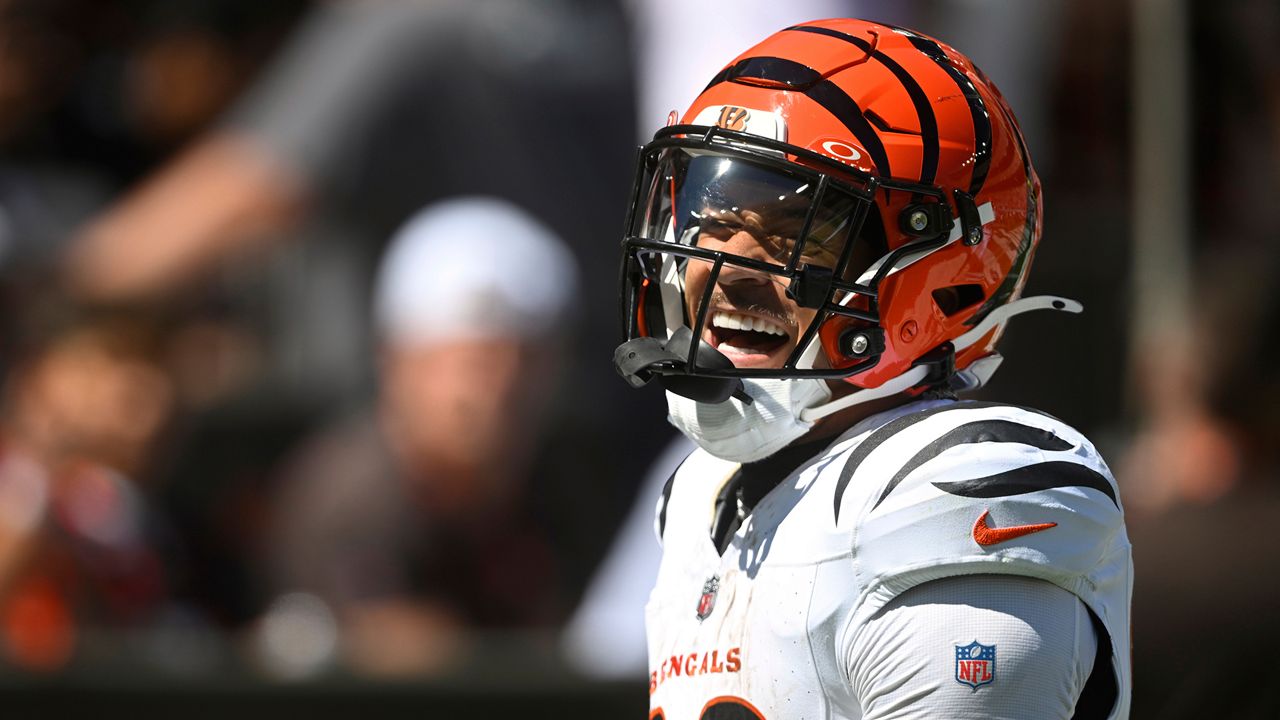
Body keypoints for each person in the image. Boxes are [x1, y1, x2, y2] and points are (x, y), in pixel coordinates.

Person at [611, 19, 1130, 719]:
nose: (720, 267)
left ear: (940, 274)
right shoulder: (705, 491)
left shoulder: (943, 495)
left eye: (794, 233)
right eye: (713, 213)